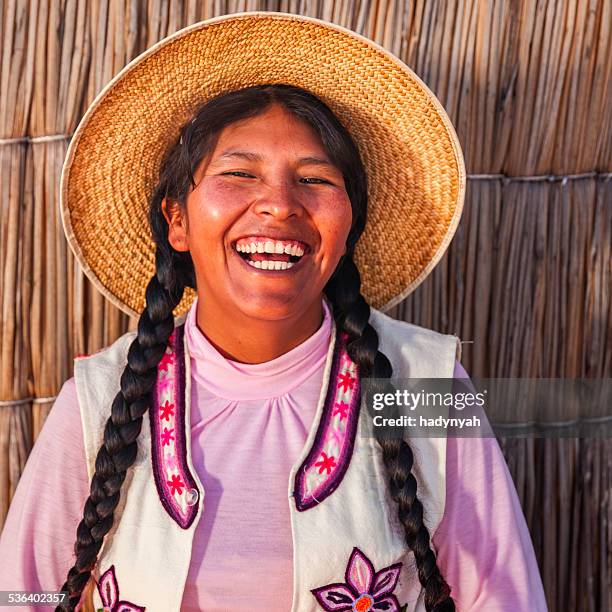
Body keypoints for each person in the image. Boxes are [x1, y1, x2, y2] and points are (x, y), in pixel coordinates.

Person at [0, 11, 547, 612]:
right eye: (238, 174)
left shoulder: (431, 383)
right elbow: (21, 593)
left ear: (348, 230)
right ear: (176, 220)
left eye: (314, 180)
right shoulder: (97, 403)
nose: (278, 206)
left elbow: (504, 594)